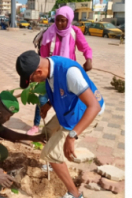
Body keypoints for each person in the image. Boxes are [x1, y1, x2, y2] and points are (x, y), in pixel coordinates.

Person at [15, 50, 105, 198]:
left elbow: (94, 106)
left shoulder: (70, 73)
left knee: (52, 154)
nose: (32, 83)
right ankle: (55, 164)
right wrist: (49, 104)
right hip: (71, 109)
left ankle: (75, 195)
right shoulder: (49, 67)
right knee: (48, 131)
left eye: (31, 79)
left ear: (38, 71)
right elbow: (59, 88)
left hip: (85, 112)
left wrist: (72, 136)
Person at [27, 6, 93, 136]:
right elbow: (43, 57)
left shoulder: (75, 32)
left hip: (68, 76)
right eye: (57, 20)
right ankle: (36, 125)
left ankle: (66, 127)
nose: (60, 24)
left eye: (63, 20)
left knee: (67, 101)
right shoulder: (49, 34)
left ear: (69, 20)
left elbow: (85, 48)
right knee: (43, 100)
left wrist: (88, 59)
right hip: (50, 74)